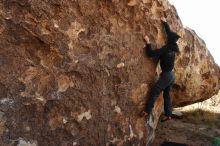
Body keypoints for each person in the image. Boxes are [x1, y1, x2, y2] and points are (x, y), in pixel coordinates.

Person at [141, 17, 180, 122]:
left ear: (169, 40)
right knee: (167, 95)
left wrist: (148, 43)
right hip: (171, 75)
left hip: (167, 75)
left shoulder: (166, 49)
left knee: (155, 91)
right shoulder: (174, 47)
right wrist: (165, 22)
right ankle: (168, 114)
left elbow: (150, 54)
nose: (166, 38)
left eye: (168, 38)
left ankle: (146, 111)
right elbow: (170, 33)